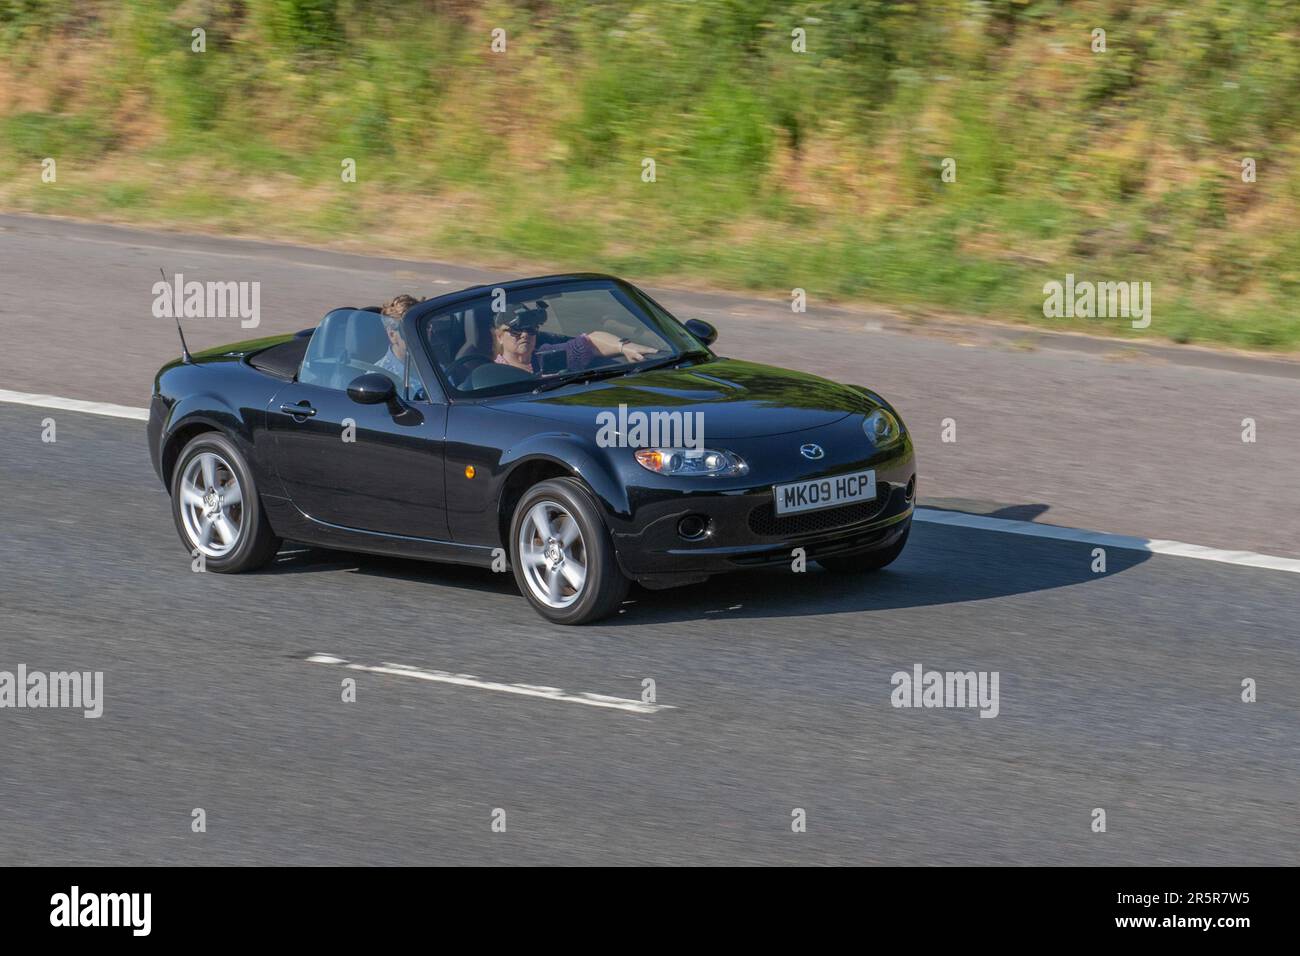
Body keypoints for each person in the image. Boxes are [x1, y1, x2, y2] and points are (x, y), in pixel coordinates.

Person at [493, 304, 658, 374]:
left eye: (531, 330)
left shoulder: (548, 356)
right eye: (516, 331)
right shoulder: (491, 373)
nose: (525, 335)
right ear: (499, 336)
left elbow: (591, 342)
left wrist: (624, 348)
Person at [377, 294, 427, 400]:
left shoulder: (433, 361)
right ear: (392, 335)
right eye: (411, 332)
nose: (421, 336)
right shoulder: (379, 379)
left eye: (423, 328)